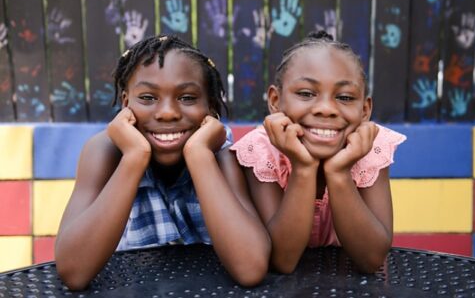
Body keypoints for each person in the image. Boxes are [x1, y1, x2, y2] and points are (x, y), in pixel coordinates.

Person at [55, 35, 270, 290]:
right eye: (147, 97)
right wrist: (135, 157)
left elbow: (251, 268)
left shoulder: (223, 155)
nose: (167, 112)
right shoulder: (105, 152)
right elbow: (73, 272)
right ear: (125, 104)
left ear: (211, 108)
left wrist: (199, 155)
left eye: (187, 98)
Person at [231, 30, 406, 274]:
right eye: (306, 94)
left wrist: (339, 172)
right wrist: (303, 168)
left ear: (365, 110)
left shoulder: (370, 147)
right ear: (275, 100)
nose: (326, 109)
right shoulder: (262, 150)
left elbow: (372, 258)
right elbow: (282, 260)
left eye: (344, 97)